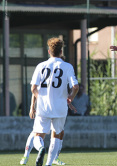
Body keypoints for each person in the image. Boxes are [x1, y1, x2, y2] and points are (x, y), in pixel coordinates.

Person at [30, 37, 79, 166]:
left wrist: (40, 99)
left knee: (38, 135)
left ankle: (41, 149)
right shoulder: (67, 66)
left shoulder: (41, 66)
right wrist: (71, 97)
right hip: (60, 107)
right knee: (56, 135)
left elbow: (33, 88)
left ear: (49, 51)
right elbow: (76, 86)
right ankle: (48, 164)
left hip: (43, 107)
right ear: (61, 51)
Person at [19, 94, 77, 165]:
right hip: (44, 107)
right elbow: (34, 88)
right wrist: (32, 106)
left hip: (56, 108)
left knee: (60, 132)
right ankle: (26, 156)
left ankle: (54, 158)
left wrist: (68, 103)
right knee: (37, 132)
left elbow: (61, 91)